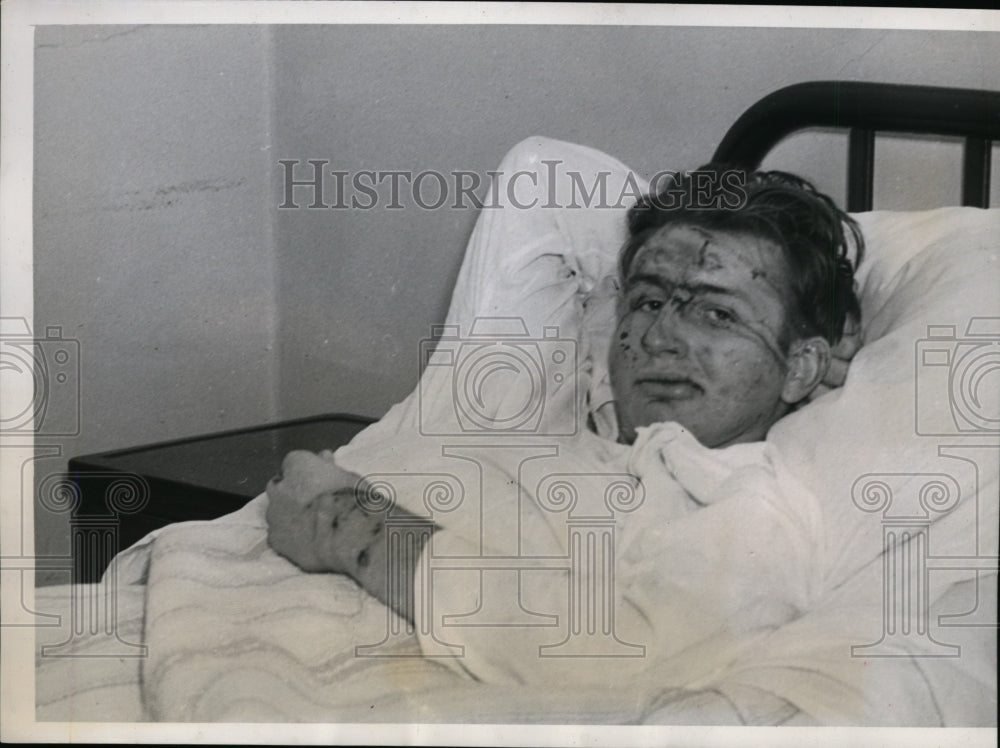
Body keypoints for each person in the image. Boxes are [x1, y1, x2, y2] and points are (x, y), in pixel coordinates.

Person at [265, 163, 864, 629]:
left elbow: (600, 644)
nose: (660, 337)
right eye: (649, 301)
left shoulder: (753, 504)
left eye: (717, 313)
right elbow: (543, 178)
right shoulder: (530, 414)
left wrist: (340, 523)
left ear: (804, 365)